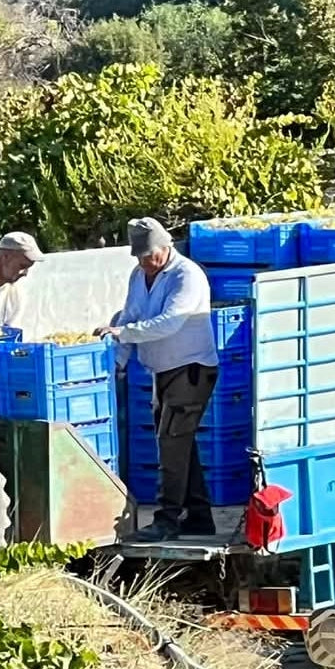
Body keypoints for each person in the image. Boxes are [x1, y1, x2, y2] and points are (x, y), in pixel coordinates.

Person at [95, 217, 219, 542]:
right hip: (161, 371)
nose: (145, 263)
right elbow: (130, 315)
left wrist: (122, 332)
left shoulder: (187, 275)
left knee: (171, 443)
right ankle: (200, 516)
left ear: (167, 248)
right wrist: (118, 359)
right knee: (179, 445)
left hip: (191, 368)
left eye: (150, 256)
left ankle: (167, 519)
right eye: (139, 257)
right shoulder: (139, 274)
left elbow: (168, 323)